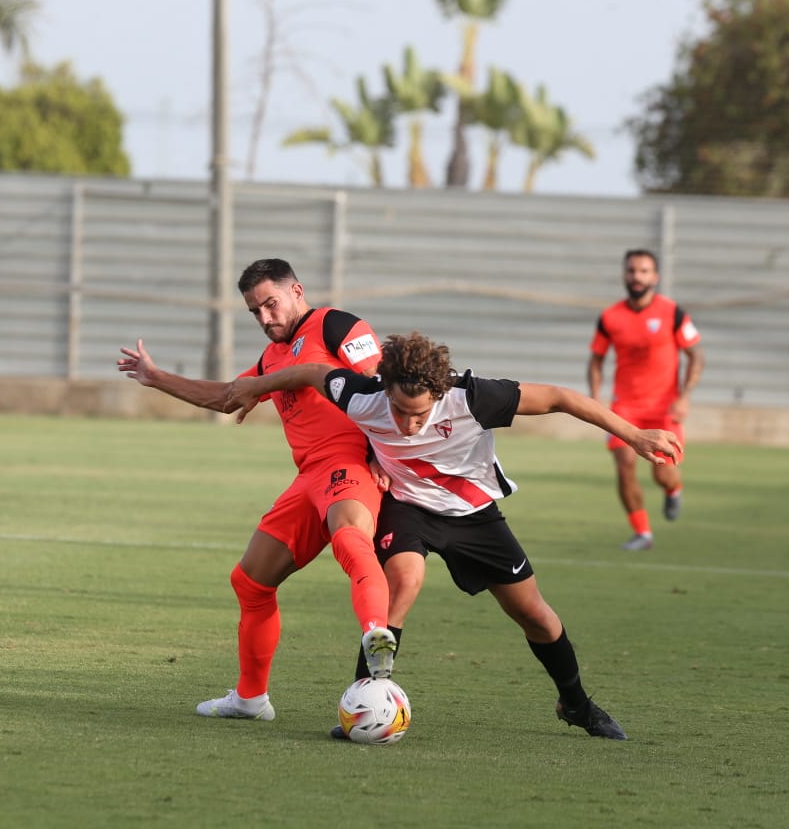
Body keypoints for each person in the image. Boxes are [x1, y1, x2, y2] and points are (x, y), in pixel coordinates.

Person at [226, 331, 686, 740]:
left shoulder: (473, 397)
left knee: (537, 617)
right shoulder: (363, 395)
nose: (407, 424)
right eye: (398, 411)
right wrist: (254, 386)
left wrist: (635, 436)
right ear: (384, 389)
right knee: (404, 580)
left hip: (473, 515)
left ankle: (576, 704)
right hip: (407, 508)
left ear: (439, 393)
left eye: (418, 414)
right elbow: (311, 371)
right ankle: (365, 702)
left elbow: (561, 397)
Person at [117, 258, 396, 723]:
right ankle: (251, 699)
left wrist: (379, 455)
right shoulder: (272, 359)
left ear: (297, 291)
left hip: (350, 464)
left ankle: (377, 637)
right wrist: (156, 377)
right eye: (255, 311)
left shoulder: (336, 326)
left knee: (350, 538)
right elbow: (229, 396)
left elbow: (385, 385)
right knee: (250, 580)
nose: (266, 318)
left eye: (271, 304)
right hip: (307, 479)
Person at [588, 248, 705, 551]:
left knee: (662, 472)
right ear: (624, 275)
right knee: (624, 463)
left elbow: (696, 355)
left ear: (655, 276)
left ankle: (673, 488)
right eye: (631, 271)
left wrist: (685, 397)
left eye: (643, 271)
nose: (636, 277)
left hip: (664, 408)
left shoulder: (673, 313)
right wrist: (596, 398)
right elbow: (596, 360)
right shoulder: (610, 317)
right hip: (625, 407)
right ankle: (642, 533)